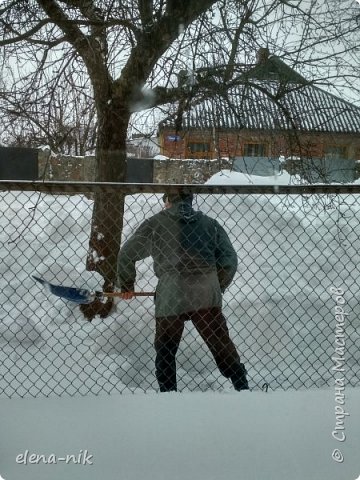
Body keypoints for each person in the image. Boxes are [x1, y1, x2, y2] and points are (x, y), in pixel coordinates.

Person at [116, 191, 249, 392]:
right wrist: (216, 285)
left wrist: (127, 286)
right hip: (205, 291)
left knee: (166, 348)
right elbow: (229, 259)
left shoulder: (155, 224)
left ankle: (168, 394)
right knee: (219, 342)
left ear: (168, 202)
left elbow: (127, 253)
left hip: (172, 293)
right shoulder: (210, 225)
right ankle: (242, 386)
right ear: (190, 201)